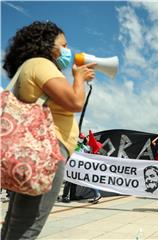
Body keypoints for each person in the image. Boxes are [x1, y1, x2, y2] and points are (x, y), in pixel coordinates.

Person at [1, 21, 96, 240]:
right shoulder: (42, 64)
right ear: (47, 44)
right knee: (28, 227)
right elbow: (74, 102)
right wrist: (79, 78)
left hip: (32, 152)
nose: (67, 50)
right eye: (63, 44)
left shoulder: (30, 65)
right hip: (45, 152)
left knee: (16, 223)